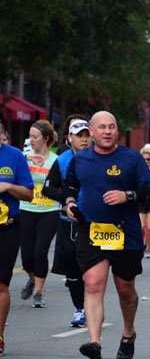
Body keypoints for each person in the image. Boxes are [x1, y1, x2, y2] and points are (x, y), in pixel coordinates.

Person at [64, 111, 150, 359]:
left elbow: (149, 191)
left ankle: (128, 332)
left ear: (117, 130)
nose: (107, 131)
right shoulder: (80, 160)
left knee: (125, 289)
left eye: (112, 127)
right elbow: (69, 184)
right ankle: (94, 341)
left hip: (125, 232)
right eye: (102, 127)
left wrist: (126, 196)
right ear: (91, 132)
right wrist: (70, 202)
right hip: (92, 230)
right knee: (93, 283)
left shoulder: (131, 158)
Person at [42, 118, 91, 326]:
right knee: (72, 270)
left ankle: (91, 305)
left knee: (90, 268)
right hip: (68, 220)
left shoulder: (100, 158)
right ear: (70, 138)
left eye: (87, 135)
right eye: (79, 136)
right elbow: (47, 188)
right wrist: (69, 198)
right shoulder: (62, 160)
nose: (84, 140)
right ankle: (79, 308)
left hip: (94, 221)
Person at [18, 120, 61, 308]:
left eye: (35, 136)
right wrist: (28, 159)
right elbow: (10, 159)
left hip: (49, 211)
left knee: (40, 252)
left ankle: (38, 292)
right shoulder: (24, 155)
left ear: (46, 138)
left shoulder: (55, 160)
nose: (31, 139)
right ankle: (32, 279)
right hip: (25, 208)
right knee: (27, 257)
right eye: (30, 136)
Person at [0, 137, 34, 355]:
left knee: (1, 284)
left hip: (8, 227)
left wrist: (9, 186)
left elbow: (29, 194)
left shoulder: (14, 156)